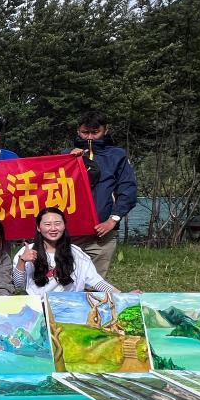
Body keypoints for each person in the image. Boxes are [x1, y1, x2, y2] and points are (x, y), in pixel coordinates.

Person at [68, 110, 138, 278]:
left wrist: (112, 220)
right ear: (78, 131)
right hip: (71, 233)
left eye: (95, 132)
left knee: (96, 283)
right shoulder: (67, 155)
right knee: (66, 281)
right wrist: (69, 162)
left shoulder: (117, 155)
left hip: (102, 233)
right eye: (85, 132)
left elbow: (128, 190)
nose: (90, 137)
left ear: (105, 130)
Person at [13, 208, 121, 296]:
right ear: (38, 227)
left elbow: (96, 281)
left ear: (64, 226)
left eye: (57, 223)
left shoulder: (76, 253)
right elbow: (18, 286)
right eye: (47, 224)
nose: (53, 228)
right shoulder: (27, 251)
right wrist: (22, 261)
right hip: (38, 306)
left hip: (68, 305)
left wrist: (121, 295)